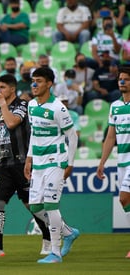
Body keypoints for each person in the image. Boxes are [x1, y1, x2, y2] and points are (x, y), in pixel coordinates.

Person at [0, 74, 51, 258]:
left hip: (21, 162)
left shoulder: (23, 105)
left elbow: (11, 124)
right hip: (4, 163)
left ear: (12, 89)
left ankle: (49, 238)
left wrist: (2, 104)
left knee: (31, 205)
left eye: (2, 87)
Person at [24, 67, 80, 264]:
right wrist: (29, 159)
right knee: (36, 207)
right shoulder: (31, 105)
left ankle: (55, 252)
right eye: (33, 81)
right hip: (37, 163)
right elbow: (35, 135)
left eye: (39, 81)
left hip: (55, 162)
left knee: (50, 205)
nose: (34, 84)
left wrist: (70, 163)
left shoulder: (58, 108)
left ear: (49, 84)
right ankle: (68, 232)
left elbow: (72, 136)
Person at [96, 66, 130, 259]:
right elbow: (111, 137)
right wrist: (102, 162)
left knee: (124, 198)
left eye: (126, 79)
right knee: (126, 202)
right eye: (120, 79)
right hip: (122, 161)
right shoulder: (115, 106)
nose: (122, 82)